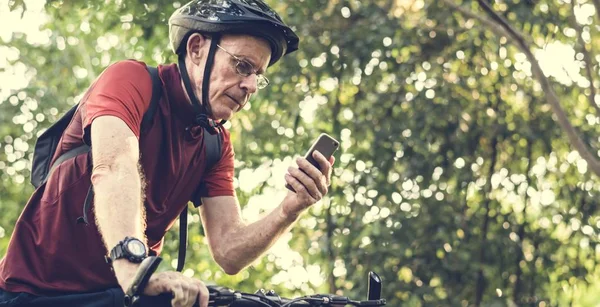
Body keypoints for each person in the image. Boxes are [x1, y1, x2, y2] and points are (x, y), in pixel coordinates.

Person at [0, 1, 334, 306]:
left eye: (257, 77)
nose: (249, 86)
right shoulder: (130, 81)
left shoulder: (214, 144)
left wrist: (290, 209)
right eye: (242, 66)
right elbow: (115, 166)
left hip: (117, 296)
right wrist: (134, 268)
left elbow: (230, 252)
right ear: (196, 48)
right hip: (33, 293)